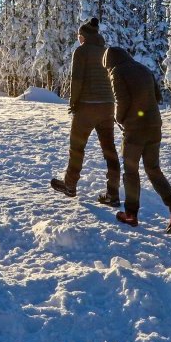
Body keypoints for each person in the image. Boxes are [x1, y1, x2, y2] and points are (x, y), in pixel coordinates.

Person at [103, 46, 171, 231]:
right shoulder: (142, 68)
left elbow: (122, 100)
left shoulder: (117, 72)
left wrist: (119, 118)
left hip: (135, 131)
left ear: (109, 63)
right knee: (154, 170)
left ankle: (131, 214)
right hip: (154, 126)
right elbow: (157, 96)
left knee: (131, 171)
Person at [49, 18, 121, 206]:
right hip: (107, 106)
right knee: (109, 150)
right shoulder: (106, 52)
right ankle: (113, 193)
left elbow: (77, 80)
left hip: (87, 107)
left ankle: (70, 185)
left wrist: (73, 104)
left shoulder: (81, 52)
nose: (79, 39)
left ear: (85, 36)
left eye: (80, 36)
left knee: (77, 147)